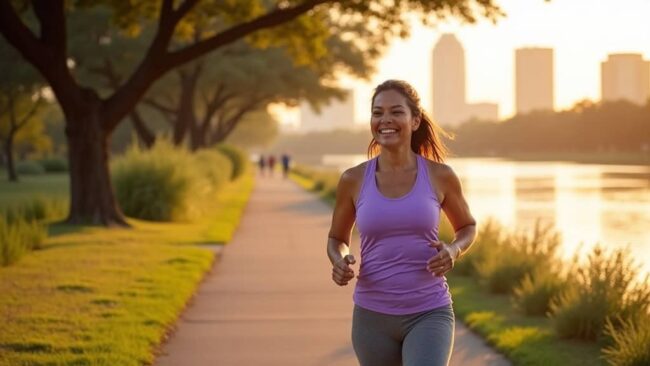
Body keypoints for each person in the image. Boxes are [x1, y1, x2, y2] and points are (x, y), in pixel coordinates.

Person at [326, 80, 477, 366]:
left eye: (396, 112)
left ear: (415, 120)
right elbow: (337, 238)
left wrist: (454, 250)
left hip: (429, 311)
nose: (385, 120)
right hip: (372, 316)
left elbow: (467, 227)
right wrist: (340, 259)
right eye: (377, 113)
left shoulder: (440, 175)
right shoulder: (353, 179)